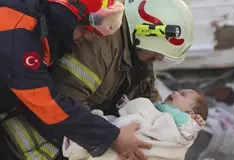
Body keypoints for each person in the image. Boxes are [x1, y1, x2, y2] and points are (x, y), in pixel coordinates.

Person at [0, 0, 156, 159]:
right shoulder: (19, 38)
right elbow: (48, 104)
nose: (88, 36)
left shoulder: (38, 24)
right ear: (66, 15)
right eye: (84, 28)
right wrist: (112, 137)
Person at [62, 89, 208, 160]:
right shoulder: (161, 112)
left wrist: (194, 123)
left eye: (182, 95)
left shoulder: (183, 127)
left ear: (189, 114)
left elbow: (189, 132)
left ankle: (78, 145)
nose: (175, 92)